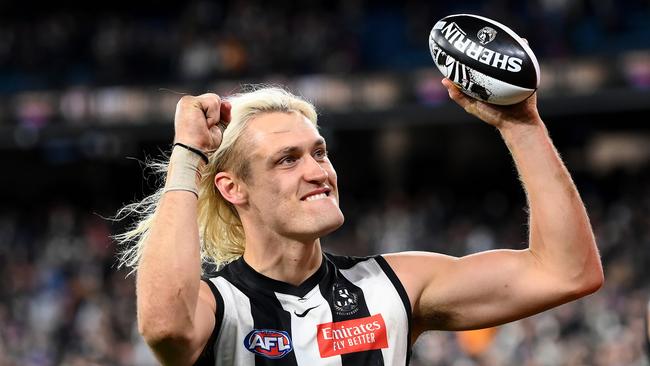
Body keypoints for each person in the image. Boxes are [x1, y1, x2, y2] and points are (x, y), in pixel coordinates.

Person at [115, 80, 603, 365]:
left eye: (319, 152)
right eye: (287, 159)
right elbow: (164, 326)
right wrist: (186, 158)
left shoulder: (393, 285)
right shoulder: (217, 304)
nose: (318, 171)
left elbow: (567, 271)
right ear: (232, 188)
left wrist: (522, 125)